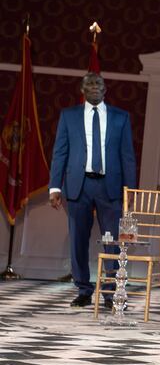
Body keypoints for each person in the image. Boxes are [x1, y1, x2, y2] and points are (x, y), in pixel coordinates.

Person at [49, 72, 137, 308]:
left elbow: (128, 156)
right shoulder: (69, 116)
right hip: (79, 185)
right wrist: (55, 187)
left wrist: (130, 192)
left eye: (99, 83)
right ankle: (83, 289)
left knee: (114, 242)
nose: (95, 87)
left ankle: (111, 293)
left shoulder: (120, 117)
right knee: (78, 238)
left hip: (110, 186)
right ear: (82, 89)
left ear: (105, 89)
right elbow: (60, 152)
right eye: (90, 84)